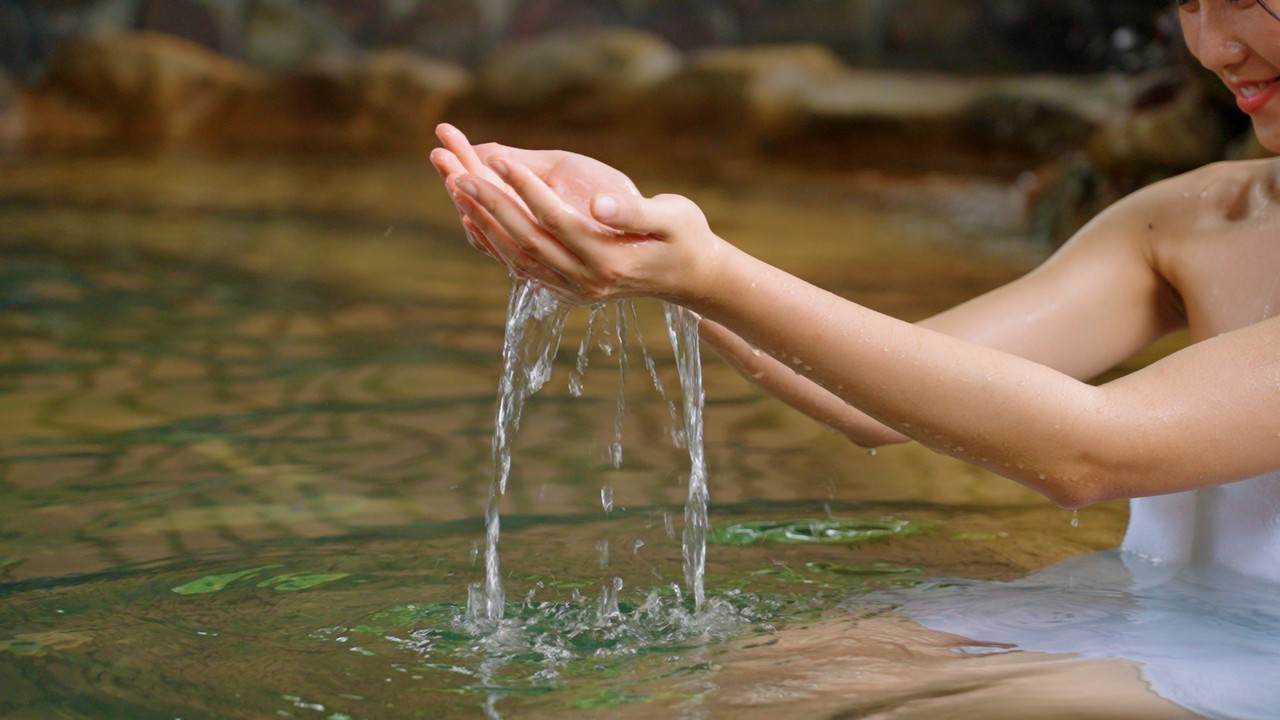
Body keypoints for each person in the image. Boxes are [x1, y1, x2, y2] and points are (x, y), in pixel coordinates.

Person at [432, 0, 1280, 585]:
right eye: (1193, 4)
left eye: (1245, 0)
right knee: (733, 688)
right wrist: (640, 246)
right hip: (1167, 617)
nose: (1215, 48)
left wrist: (710, 270)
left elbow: (1091, 454)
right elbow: (869, 402)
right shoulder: (1195, 221)